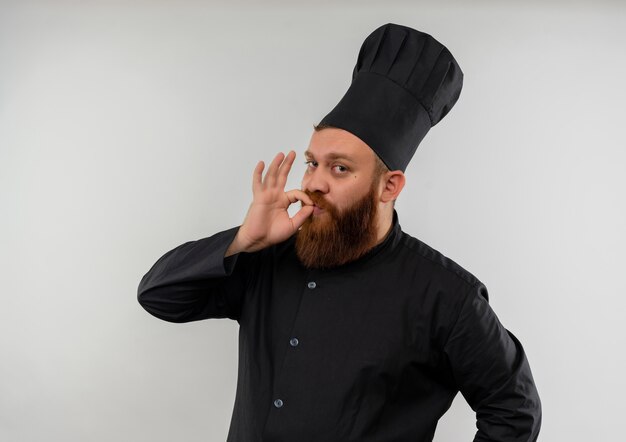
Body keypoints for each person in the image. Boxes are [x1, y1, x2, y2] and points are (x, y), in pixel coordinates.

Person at [137, 23, 542, 442]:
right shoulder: (269, 259)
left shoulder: (446, 296)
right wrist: (245, 239)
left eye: (340, 168)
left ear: (390, 186)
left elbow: (514, 409)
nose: (314, 182)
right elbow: (158, 296)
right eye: (312, 162)